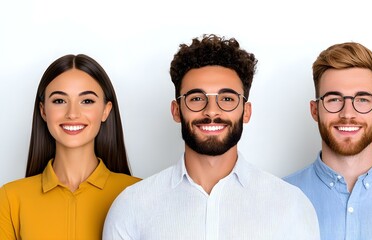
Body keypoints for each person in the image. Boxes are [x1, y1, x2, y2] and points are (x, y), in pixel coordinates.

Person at [103, 34, 320, 239]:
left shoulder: (290, 204)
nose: (211, 111)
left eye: (227, 99)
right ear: (176, 110)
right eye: (197, 98)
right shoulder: (132, 206)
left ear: (246, 111)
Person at [283, 42, 372, 239]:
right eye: (334, 99)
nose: (348, 113)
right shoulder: (278, 198)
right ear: (315, 110)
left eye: (362, 100)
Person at [0, 54, 141, 239]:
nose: (72, 114)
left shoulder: (137, 193)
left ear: (105, 110)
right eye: (59, 101)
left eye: (87, 101)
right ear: (43, 111)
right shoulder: (10, 198)